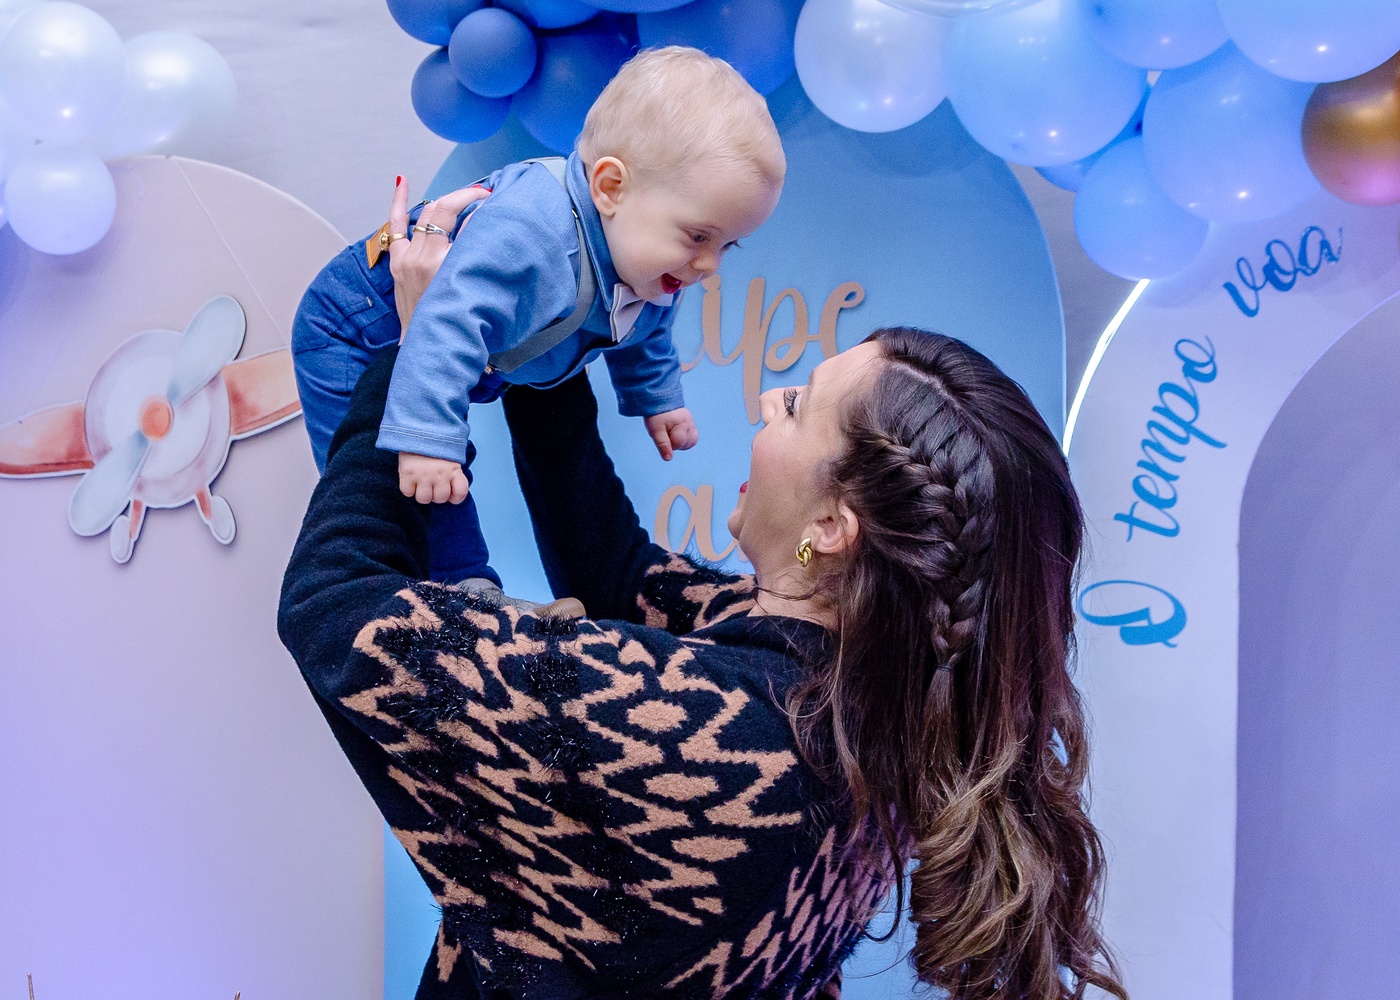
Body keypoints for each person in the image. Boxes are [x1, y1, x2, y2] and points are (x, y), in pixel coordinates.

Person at [280, 204, 1128, 998]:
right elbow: (617, 571)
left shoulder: (711, 734)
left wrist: (423, 351)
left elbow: (335, 604)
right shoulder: (875, 697)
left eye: (796, 406)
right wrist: (551, 327)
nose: (767, 401)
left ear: (831, 527)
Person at [290, 45, 785, 588]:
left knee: (437, 454)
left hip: (472, 349)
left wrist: (657, 397)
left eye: (727, 246)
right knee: (418, 470)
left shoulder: (652, 262)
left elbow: (646, 324)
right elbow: (447, 323)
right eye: (698, 236)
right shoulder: (533, 232)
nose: (709, 265)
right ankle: (461, 589)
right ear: (610, 188)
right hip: (359, 330)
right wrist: (427, 437)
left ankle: (463, 592)